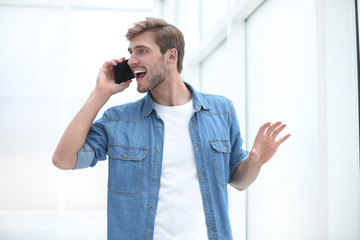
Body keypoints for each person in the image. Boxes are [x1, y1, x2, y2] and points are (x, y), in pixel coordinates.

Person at [52, 17, 290, 240]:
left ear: (171, 56)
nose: (132, 61)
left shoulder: (221, 110)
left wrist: (255, 162)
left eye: (142, 51)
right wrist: (100, 93)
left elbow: (238, 181)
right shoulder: (119, 120)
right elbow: (63, 159)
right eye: (130, 53)